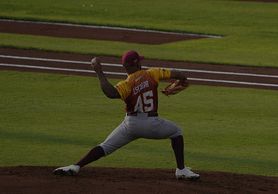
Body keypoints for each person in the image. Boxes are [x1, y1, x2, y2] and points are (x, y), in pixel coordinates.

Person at [53, 50, 200, 180]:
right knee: (176, 132)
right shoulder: (152, 73)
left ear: (125, 67)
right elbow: (179, 74)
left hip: (131, 124)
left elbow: (110, 93)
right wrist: (181, 80)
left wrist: (98, 71)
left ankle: (75, 166)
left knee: (105, 146)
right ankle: (181, 170)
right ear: (137, 64)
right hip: (152, 123)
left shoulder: (126, 84)